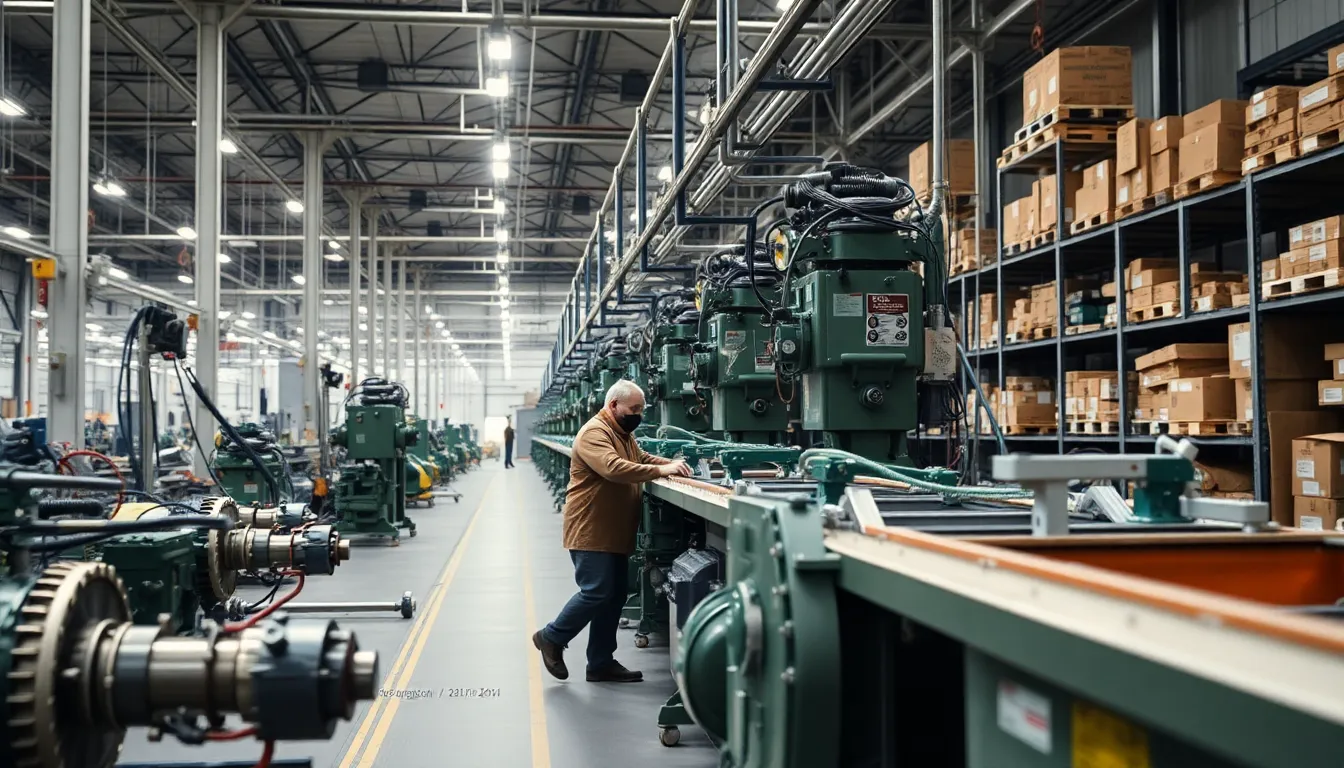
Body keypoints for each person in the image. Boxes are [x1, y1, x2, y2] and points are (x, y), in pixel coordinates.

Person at [532, 379, 691, 683]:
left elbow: (640, 459)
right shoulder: (595, 432)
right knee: (596, 591)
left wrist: (673, 465)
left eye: (641, 409)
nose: (638, 415)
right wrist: (662, 471)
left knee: (614, 595)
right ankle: (551, 636)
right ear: (614, 405)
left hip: (612, 531)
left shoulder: (621, 433)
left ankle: (600, 662)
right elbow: (613, 468)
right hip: (591, 529)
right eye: (634, 409)